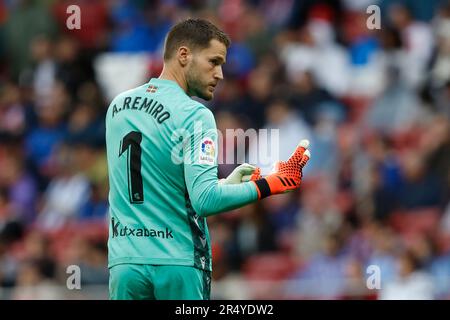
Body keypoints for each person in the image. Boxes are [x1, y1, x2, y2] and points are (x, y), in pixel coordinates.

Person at [105, 18, 311, 300]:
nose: (220, 74)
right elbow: (205, 200)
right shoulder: (195, 114)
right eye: (214, 61)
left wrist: (225, 184)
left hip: (125, 265)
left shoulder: (118, 107)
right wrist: (273, 184)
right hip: (177, 263)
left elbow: (161, 184)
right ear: (184, 55)